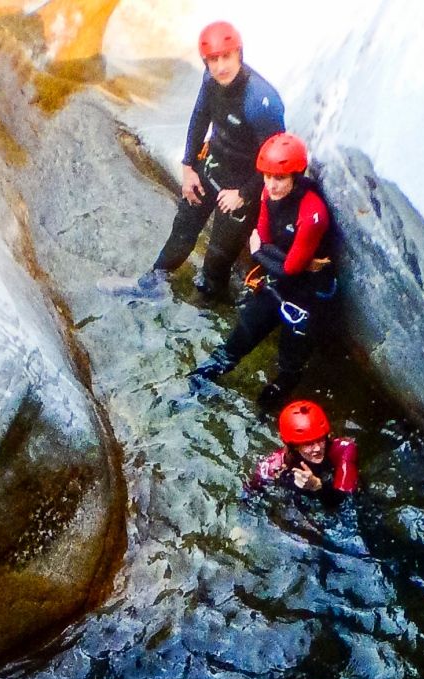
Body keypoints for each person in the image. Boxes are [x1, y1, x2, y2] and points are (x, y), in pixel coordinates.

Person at [132, 22, 285, 302]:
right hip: (212, 166)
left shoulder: (260, 101)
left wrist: (243, 195)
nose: (220, 66)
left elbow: (276, 163)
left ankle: (210, 304)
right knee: (183, 229)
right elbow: (200, 116)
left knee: (217, 261)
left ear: (239, 53)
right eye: (213, 60)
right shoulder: (210, 80)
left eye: (226, 57)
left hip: (241, 187)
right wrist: (188, 166)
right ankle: (153, 281)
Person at [189, 132, 337, 406]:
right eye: (267, 177)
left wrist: (259, 252)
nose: (272, 185)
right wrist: (268, 253)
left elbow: (287, 265)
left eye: (279, 178)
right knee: (235, 342)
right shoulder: (267, 193)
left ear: (296, 174)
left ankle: (264, 413)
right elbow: (268, 240)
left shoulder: (312, 213)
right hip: (280, 283)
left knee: (289, 366)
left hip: (308, 294)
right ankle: (193, 389)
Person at [244, 399, 357, 499]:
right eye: (308, 443)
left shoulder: (343, 449)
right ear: (294, 446)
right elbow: (249, 494)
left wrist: (316, 486)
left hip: (327, 492)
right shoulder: (274, 466)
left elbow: (346, 499)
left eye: (320, 440)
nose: (318, 448)